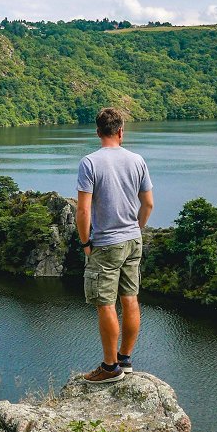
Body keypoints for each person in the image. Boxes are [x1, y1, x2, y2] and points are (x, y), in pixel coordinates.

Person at [76, 107, 154, 384]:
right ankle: (125, 359)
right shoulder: (137, 160)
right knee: (130, 299)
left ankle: (110, 369)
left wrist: (86, 242)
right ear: (121, 132)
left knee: (105, 304)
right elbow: (148, 204)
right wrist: (137, 228)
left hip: (106, 243)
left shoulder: (90, 162)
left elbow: (83, 210)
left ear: (98, 132)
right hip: (133, 240)